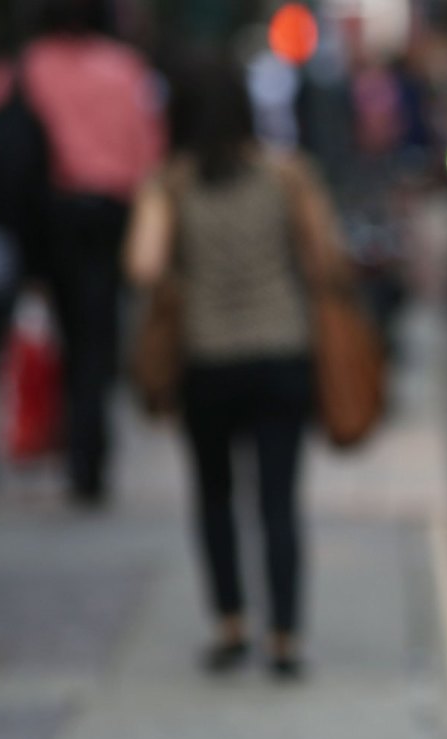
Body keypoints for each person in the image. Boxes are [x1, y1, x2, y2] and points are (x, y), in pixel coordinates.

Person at [124, 50, 344, 679]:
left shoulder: (171, 183)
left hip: (208, 359)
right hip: (282, 353)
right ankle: (285, 637)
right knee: (279, 499)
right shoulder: (288, 174)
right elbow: (324, 260)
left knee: (214, 495)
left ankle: (229, 624)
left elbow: (142, 266)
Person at [22, 0, 165, 502]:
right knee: (99, 335)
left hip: (55, 214)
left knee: (71, 333)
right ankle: (92, 451)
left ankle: (81, 453)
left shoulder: (33, 64)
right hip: (110, 212)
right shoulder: (124, 67)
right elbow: (149, 151)